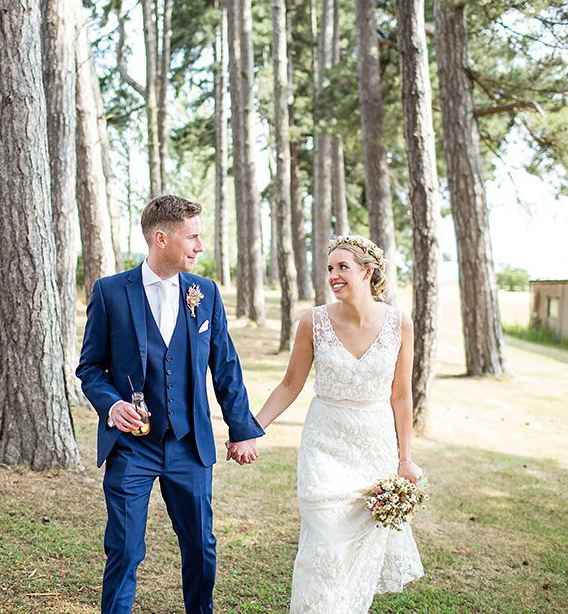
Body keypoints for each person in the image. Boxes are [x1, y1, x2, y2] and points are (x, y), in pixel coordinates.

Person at [76, 195, 264, 614]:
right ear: (161, 238)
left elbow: (226, 366)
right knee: (124, 548)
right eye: (192, 237)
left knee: (201, 547)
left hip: (188, 445)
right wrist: (111, 406)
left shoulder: (206, 293)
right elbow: (90, 368)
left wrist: (242, 430)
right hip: (131, 447)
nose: (200, 247)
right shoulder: (110, 293)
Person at [245, 234, 424, 613]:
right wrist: (251, 427)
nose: (334, 275)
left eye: (343, 267)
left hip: (374, 446)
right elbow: (290, 384)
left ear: (367, 271)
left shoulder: (400, 324)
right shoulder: (313, 321)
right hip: (324, 444)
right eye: (330, 268)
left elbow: (401, 395)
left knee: (359, 551)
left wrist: (404, 458)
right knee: (325, 545)